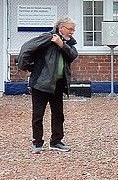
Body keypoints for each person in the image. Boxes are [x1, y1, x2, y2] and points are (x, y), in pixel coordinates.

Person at [24, 17, 79, 153]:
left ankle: (56, 141)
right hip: (41, 83)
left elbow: (72, 55)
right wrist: (30, 68)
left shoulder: (67, 42)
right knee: (38, 114)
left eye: (73, 29)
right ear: (61, 28)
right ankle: (37, 143)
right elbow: (26, 50)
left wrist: (62, 45)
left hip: (58, 83)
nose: (72, 32)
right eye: (70, 29)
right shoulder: (46, 38)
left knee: (58, 114)